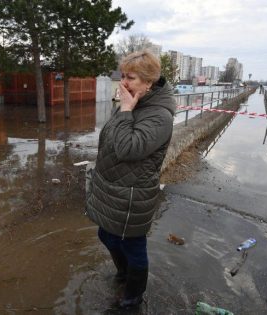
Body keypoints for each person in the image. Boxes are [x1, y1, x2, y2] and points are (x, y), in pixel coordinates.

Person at [85, 50, 176, 309]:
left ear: (149, 82)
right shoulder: (135, 101)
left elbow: (129, 149)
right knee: (107, 235)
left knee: (133, 246)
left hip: (132, 195)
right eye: (123, 76)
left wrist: (125, 109)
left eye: (131, 77)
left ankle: (132, 296)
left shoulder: (160, 115)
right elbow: (111, 137)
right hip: (112, 186)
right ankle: (124, 275)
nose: (124, 82)